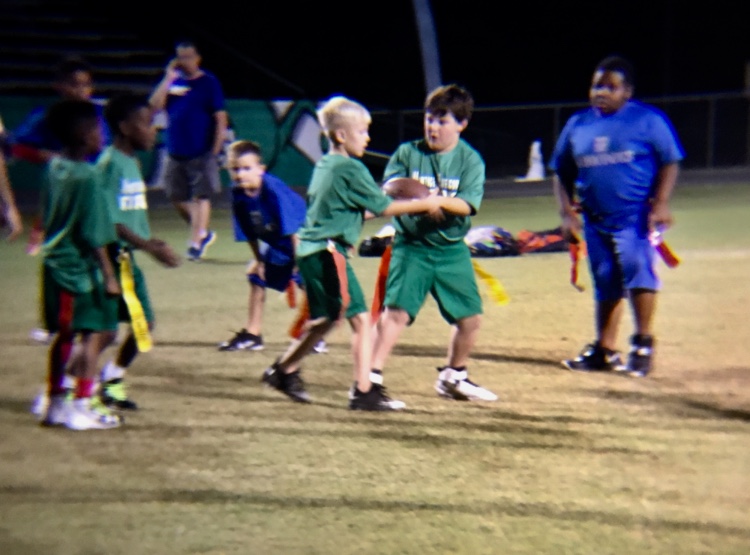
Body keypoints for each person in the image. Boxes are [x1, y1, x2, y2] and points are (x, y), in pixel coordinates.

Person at [261, 95, 448, 411]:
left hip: (312, 252)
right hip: (328, 252)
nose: (367, 137)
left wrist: (405, 202)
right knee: (360, 320)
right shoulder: (350, 167)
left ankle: (283, 370)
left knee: (326, 320)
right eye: (362, 131)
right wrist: (426, 203)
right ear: (341, 135)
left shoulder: (326, 165)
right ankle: (363, 392)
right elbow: (385, 207)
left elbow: (353, 213)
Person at [549, 55, 684, 377]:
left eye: (611, 87)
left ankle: (643, 344)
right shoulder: (578, 124)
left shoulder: (647, 120)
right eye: (597, 86)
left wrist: (661, 203)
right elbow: (561, 171)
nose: (602, 92)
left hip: (635, 217)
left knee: (638, 273)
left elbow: (670, 161)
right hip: (595, 219)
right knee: (605, 280)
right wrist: (566, 213)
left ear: (628, 91)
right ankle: (605, 350)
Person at [368, 84, 498, 402]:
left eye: (442, 121)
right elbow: (390, 189)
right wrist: (423, 202)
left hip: (451, 250)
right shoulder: (408, 153)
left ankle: (454, 377)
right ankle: (368, 381)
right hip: (412, 246)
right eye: (429, 119)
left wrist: (436, 201)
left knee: (470, 318)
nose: (433, 127)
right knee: (395, 314)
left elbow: (467, 204)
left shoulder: (470, 160)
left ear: (461, 124)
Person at [10, 56, 110, 344]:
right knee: (59, 257)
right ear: (60, 86)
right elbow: (16, 146)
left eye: (87, 84)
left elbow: (106, 149)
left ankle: (98, 319)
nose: (83, 90)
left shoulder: (97, 113)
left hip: (95, 192)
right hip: (63, 196)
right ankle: (51, 322)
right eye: (75, 84)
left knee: (99, 252)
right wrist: (47, 156)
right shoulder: (49, 116)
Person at [38, 99, 122, 430]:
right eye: (97, 129)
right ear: (84, 134)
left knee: (64, 336)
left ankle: (55, 402)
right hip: (76, 270)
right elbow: (94, 233)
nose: (101, 135)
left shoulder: (55, 166)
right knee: (94, 333)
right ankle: (80, 406)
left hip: (53, 263)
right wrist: (109, 276)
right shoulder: (88, 176)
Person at [95, 92, 181, 410]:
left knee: (142, 326)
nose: (153, 130)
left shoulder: (131, 162)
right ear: (125, 127)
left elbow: (127, 215)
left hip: (125, 257)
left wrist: (149, 242)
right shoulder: (109, 164)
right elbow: (106, 219)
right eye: (146, 123)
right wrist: (147, 246)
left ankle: (112, 379)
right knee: (101, 332)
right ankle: (66, 388)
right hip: (107, 257)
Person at [218, 139, 328, 354]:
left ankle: (315, 337)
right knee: (257, 277)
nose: (240, 174)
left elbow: (294, 231)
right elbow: (249, 232)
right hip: (281, 244)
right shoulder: (238, 194)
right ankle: (253, 335)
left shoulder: (273, 190)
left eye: (247, 168)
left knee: (308, 285)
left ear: (261, 169)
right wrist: (259, 261)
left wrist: (299, 264)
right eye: (235, 169)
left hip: (306, 241)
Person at [149, 40, 228, 261]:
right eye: (180, 57)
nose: (184, 61)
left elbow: (220, 117)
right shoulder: (174, 83)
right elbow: (154, 106)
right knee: (175, 196)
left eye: (188, 57)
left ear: (198, 58)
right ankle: (202, 232)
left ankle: (195, 244)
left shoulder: (209, 82)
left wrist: (215, 149)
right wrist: (167, 78)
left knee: (202, 196)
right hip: (175, 151)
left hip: (201, 150)